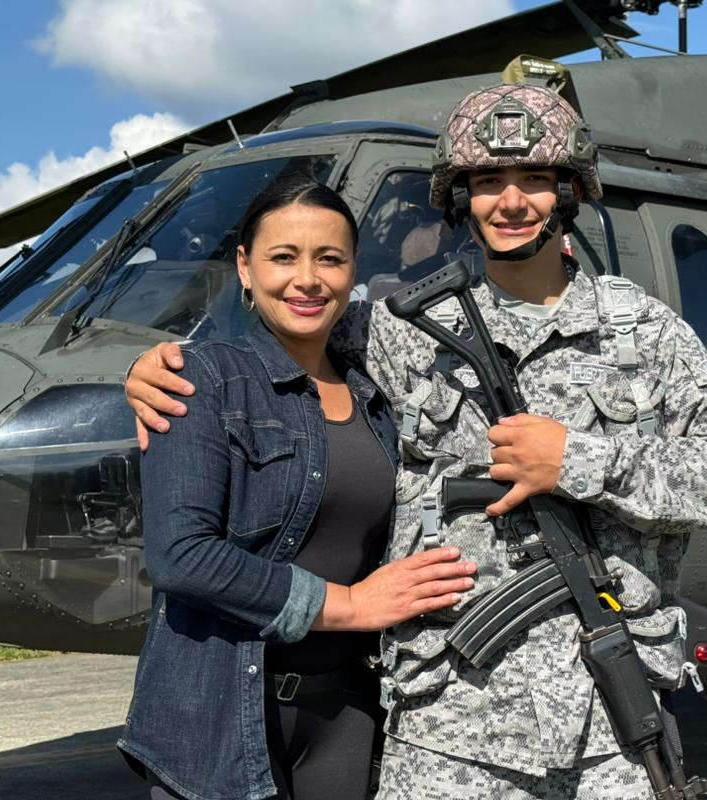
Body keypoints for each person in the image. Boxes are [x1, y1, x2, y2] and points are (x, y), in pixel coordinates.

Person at [127, 83, 707, 799]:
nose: (511, 200)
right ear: (459, 197)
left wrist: (579, 460)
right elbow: (277, 330)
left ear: (570, 192)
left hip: (610, 725)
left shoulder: (641, 335)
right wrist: (152, 369)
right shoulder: (394, 327)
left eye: (534, 178)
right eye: (488, 181)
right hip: (446, 728)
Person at [117, 178, 477, 800]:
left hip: (345, 713)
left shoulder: (378, 393)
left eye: (329, 259)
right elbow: (181, 556)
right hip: (221, 715)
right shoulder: (200, 379)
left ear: (352, 273)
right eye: (283, 257)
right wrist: (353, 606)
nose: (307, 279)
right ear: (246, 268)